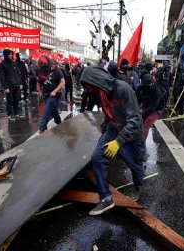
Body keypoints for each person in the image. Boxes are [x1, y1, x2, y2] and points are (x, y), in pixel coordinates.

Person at [80, 66, 146, 216]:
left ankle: (138, 187)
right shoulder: (102, 92)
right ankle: (106, 198)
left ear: (98, 80)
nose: (90, 90)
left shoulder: (123, 89)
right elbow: (108, 113)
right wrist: (105, 131)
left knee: (135, 164)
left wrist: (118, 142)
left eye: (90, 86)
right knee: (97, 157)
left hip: (132, 134)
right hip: (113, 130)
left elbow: (135, 120)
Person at [37, 55, 65, 135]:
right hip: (46, 93)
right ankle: (59, 121)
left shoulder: (55, 69)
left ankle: (42, 128)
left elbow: (63, 82)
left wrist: (55, 91)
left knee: (47, 109)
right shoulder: (41, 70)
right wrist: (40, 91)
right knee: (52, 109)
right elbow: (39, 82)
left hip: (54, 93)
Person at [136, 74, 166, 138]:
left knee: (145, 127)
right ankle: (137, 138)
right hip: (147, 104)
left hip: (157, 108)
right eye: (148, 84)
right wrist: (136, 108)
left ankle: (141, 145)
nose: (150, 85)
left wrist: (144, 115)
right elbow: (137, 99)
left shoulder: (158, 91)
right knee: (140, 123)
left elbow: (153, 106)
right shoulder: (141, 88)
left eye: (152, 83)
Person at [0, 49, 23, 121]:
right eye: (9, 54)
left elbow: (18, 74)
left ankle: (16, 113)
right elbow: (1, 77)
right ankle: (10, 114)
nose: (11, 55)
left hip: (16, 84)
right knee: (10, 100)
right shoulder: (2, 64)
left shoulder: (14, 63)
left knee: (16, 100)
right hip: (9, 85)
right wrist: (5, 87)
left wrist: (20, 83)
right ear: (6, 55)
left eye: (11, 54)